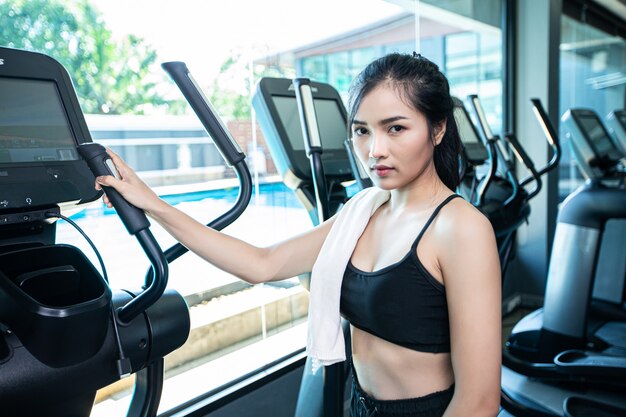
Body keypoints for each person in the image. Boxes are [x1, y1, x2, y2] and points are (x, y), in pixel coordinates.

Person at [95, 52, 501, 417]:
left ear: (438, 129)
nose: (375, 149)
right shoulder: (363, 211)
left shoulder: (461, 228)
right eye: (362, 131)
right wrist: (152, 203)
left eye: (395, 128)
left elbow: (479, 401)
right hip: (360, 406)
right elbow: (261, 263)